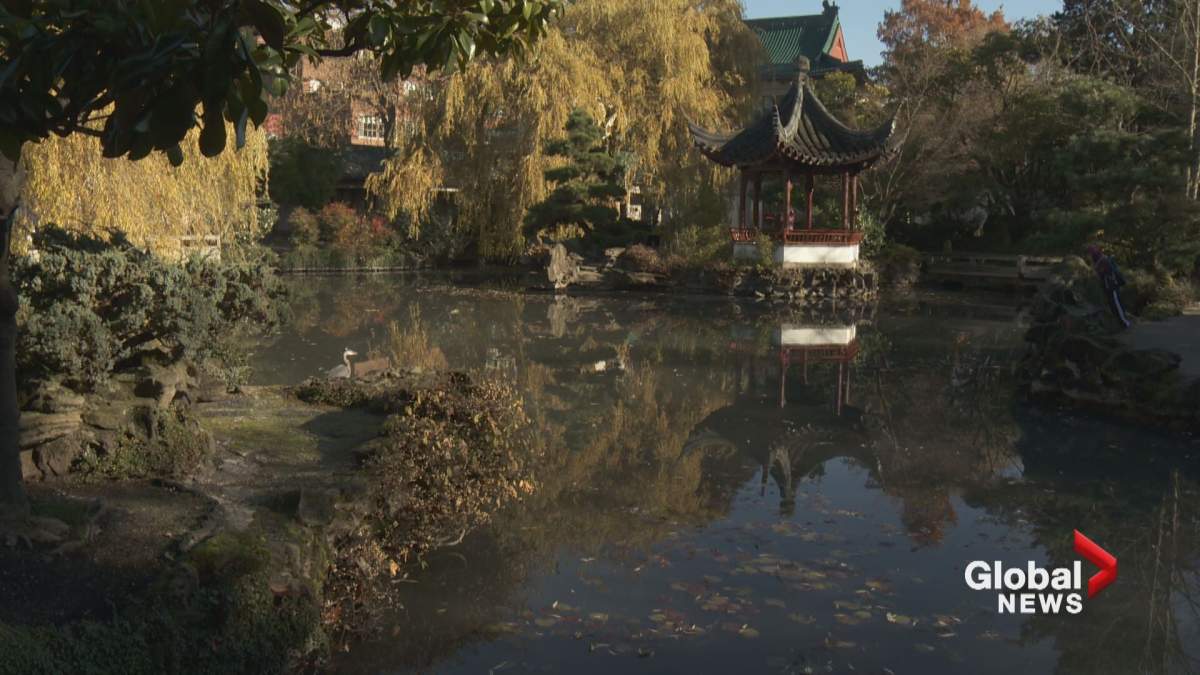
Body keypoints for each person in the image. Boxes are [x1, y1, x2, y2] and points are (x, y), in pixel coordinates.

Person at [1087, 245, 1131, 328]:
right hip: (1107, 286)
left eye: (1090, 253)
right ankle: (1120, 321)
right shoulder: (1099, 260)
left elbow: (1104, 272)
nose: (1089, 255)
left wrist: (1096, 271)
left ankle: (1124, 322)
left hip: (1111, 285)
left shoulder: (1103, 260)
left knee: (1116, 304)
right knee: (1113, 304)